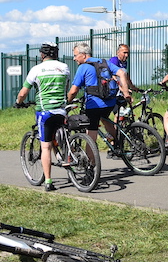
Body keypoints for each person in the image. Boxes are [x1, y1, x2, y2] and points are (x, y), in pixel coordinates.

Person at [16, 43, 69, 191]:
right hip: (62, 109)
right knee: (61, 134)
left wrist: (18, 102)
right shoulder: (64, 67)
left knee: (45, 146)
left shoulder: (36, 70)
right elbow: (66, 87)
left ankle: (48, 182)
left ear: (42, 55)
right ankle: (64, 156)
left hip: (45, 111)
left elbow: (23, 93)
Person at [66, 42, 129, 156]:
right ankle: (118, 143)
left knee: (91, 135)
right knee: (104, 118)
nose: (74, 58)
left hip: (94, 105)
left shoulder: (83, 67)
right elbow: (122, 73)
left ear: (84, 55)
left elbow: (73, 91)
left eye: (75, 55)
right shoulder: (104, 62)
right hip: (110, 102)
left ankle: (91, 166)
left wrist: (67, 101)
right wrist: (126, 92)